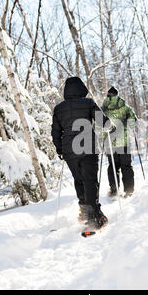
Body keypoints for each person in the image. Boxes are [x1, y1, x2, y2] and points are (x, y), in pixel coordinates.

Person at [51, 77, 110, 230]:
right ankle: (93, 217)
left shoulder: (59, 109)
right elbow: (103, 121)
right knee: (90, 181)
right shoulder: (88, 103)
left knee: (79, 180)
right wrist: (109, 126)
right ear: (81, 88)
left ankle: (85, 212)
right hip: (88, 148)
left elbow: (56, 132)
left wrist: (60, 149)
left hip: (70, 151)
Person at [101, 87, 137, 198]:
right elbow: (133, 122)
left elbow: (97, 124)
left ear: (108, 95)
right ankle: (129, 191)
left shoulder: (103, 109)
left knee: (113, 166)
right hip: (124, 142)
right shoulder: (125, 108)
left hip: (110, 144)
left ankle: (114, 189)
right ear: (117, 95)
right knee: (126, 166)